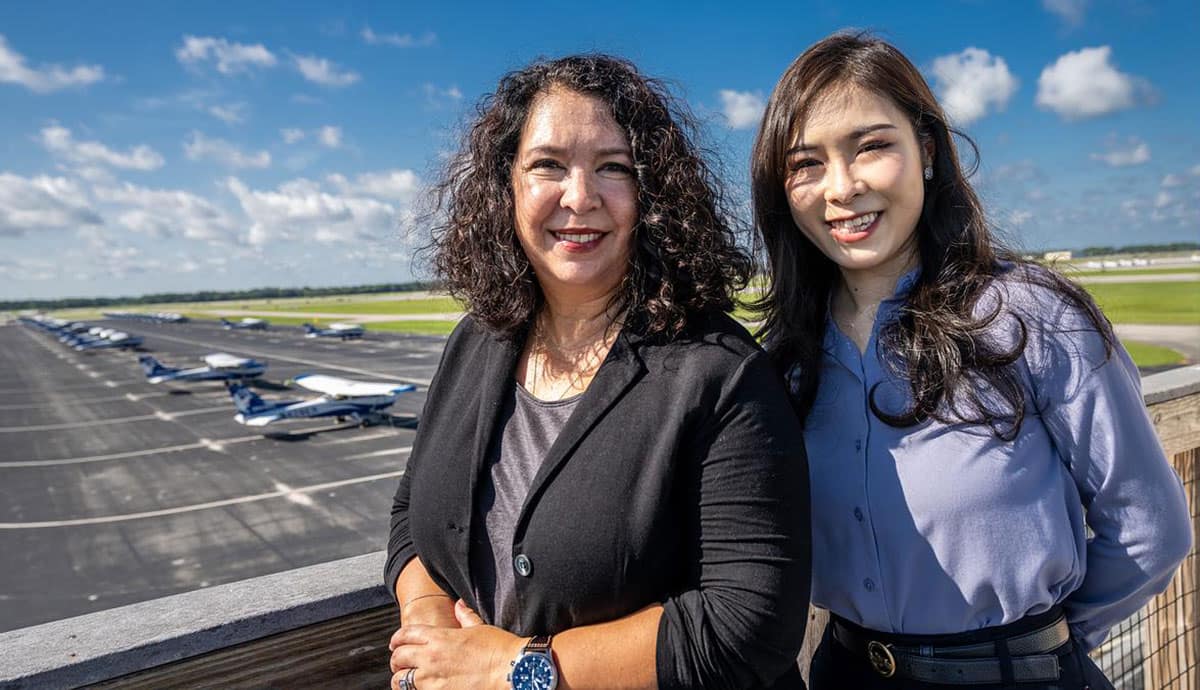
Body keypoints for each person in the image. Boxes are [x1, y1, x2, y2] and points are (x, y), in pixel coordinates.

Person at [750, 32, 1191, 690]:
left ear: (926, 152)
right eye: (806, 163)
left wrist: (1040, 650)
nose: (840, 188)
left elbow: (1149, 528)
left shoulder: (1032, 318)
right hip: (844, 672)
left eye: (871, 146)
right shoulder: (786, 357)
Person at [385, 54, 811, 690]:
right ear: (508, 186)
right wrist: (428, 624)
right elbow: (408, 515)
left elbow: (749, 624)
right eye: (548, 165)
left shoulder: (720, 374)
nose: (579, 197)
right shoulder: (476, 341)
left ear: (652, 194)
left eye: (614, 167)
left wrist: (516, 668)